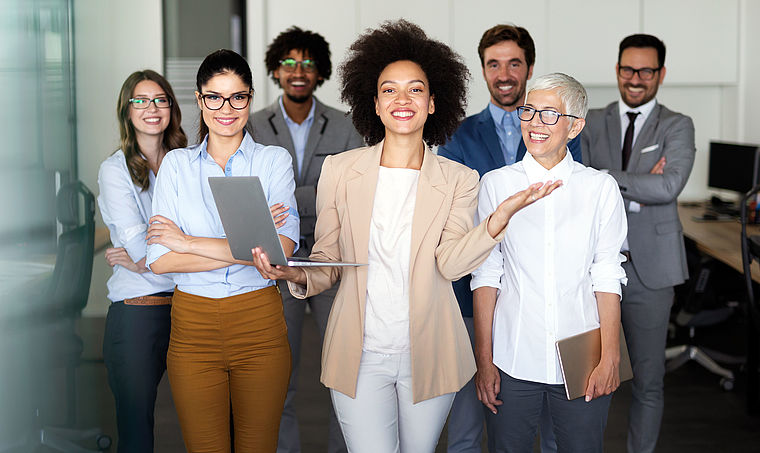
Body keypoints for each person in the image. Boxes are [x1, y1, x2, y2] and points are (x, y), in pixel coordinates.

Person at [252, 20, 560, 453]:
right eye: (389, 90)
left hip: (429, 350)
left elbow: (450, 264)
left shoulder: (460, 179)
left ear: (433, 103)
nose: (402, 99)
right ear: (374, 104)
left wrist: (496, 221)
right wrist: (295, 275)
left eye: (415, 89)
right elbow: (327, 260)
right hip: (359, 352)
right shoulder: (340, 171)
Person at [145, 49, 299, 453]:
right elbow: (160, 260)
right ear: (199, 99)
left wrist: (188, 242)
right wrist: (250, 244)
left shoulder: (273, 161)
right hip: (192, 328)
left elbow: (278, 250)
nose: (225, 108)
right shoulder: (176, 166)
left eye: (237, 97)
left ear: (250, 98)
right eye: (214, 97)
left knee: (258, 446)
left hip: (259, 324)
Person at [438, 24, 582, 453]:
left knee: (558, 427)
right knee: (467, 422)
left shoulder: (562, 129)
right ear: (483, 70)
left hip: (552, 300)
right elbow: (454, 215)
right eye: (493, 64)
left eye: (514, 63)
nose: (504, 74)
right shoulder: (457, 135)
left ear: (529, 69)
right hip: (471, 296)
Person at [472, 72, 628, 453]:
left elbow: (607, 274)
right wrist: (484, 360)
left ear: (575, 127)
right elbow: (487, 272)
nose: (534, 123)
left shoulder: (599, 188)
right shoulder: (495, 184)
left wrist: (611, 357)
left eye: (549, 114)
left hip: (583, 351)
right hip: (512, 351)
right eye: (529, 111)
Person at [250, 26, 363, 453]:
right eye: (289, 63)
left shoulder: (347, 125)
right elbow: (250, 192)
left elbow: (352, 191)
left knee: (342, 374)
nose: (298, 71)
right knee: (280, 374)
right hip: (275, 260)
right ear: (276, 71)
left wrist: (287, 197)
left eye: (308, 63)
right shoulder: (254, 125)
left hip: (332, 256)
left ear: (320, 73)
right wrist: (317, 193)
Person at [581, 34, 695, 453]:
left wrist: (606, 177)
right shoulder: (592, 120)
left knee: (648, 381)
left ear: (660, 74)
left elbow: (669, 185)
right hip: (593, 267)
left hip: (652, 270)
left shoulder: (677, 124)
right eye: (628, 69)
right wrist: (640, 180)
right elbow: (579, 183)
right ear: (617, 70)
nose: (636, 78)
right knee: (589, 375)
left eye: (646, 71)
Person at [98, 69, 187, 453]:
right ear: (127, 111)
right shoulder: (114, 170)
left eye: (160, 99)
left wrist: (151, 255)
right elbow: (139, 248)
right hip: (138, 313)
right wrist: (186, 249)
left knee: (209, 424)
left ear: (171, 107)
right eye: (140, 101)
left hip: (190, 307)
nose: (151, 108)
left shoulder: (187, 162)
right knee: (137, 433)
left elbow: (218, 234)